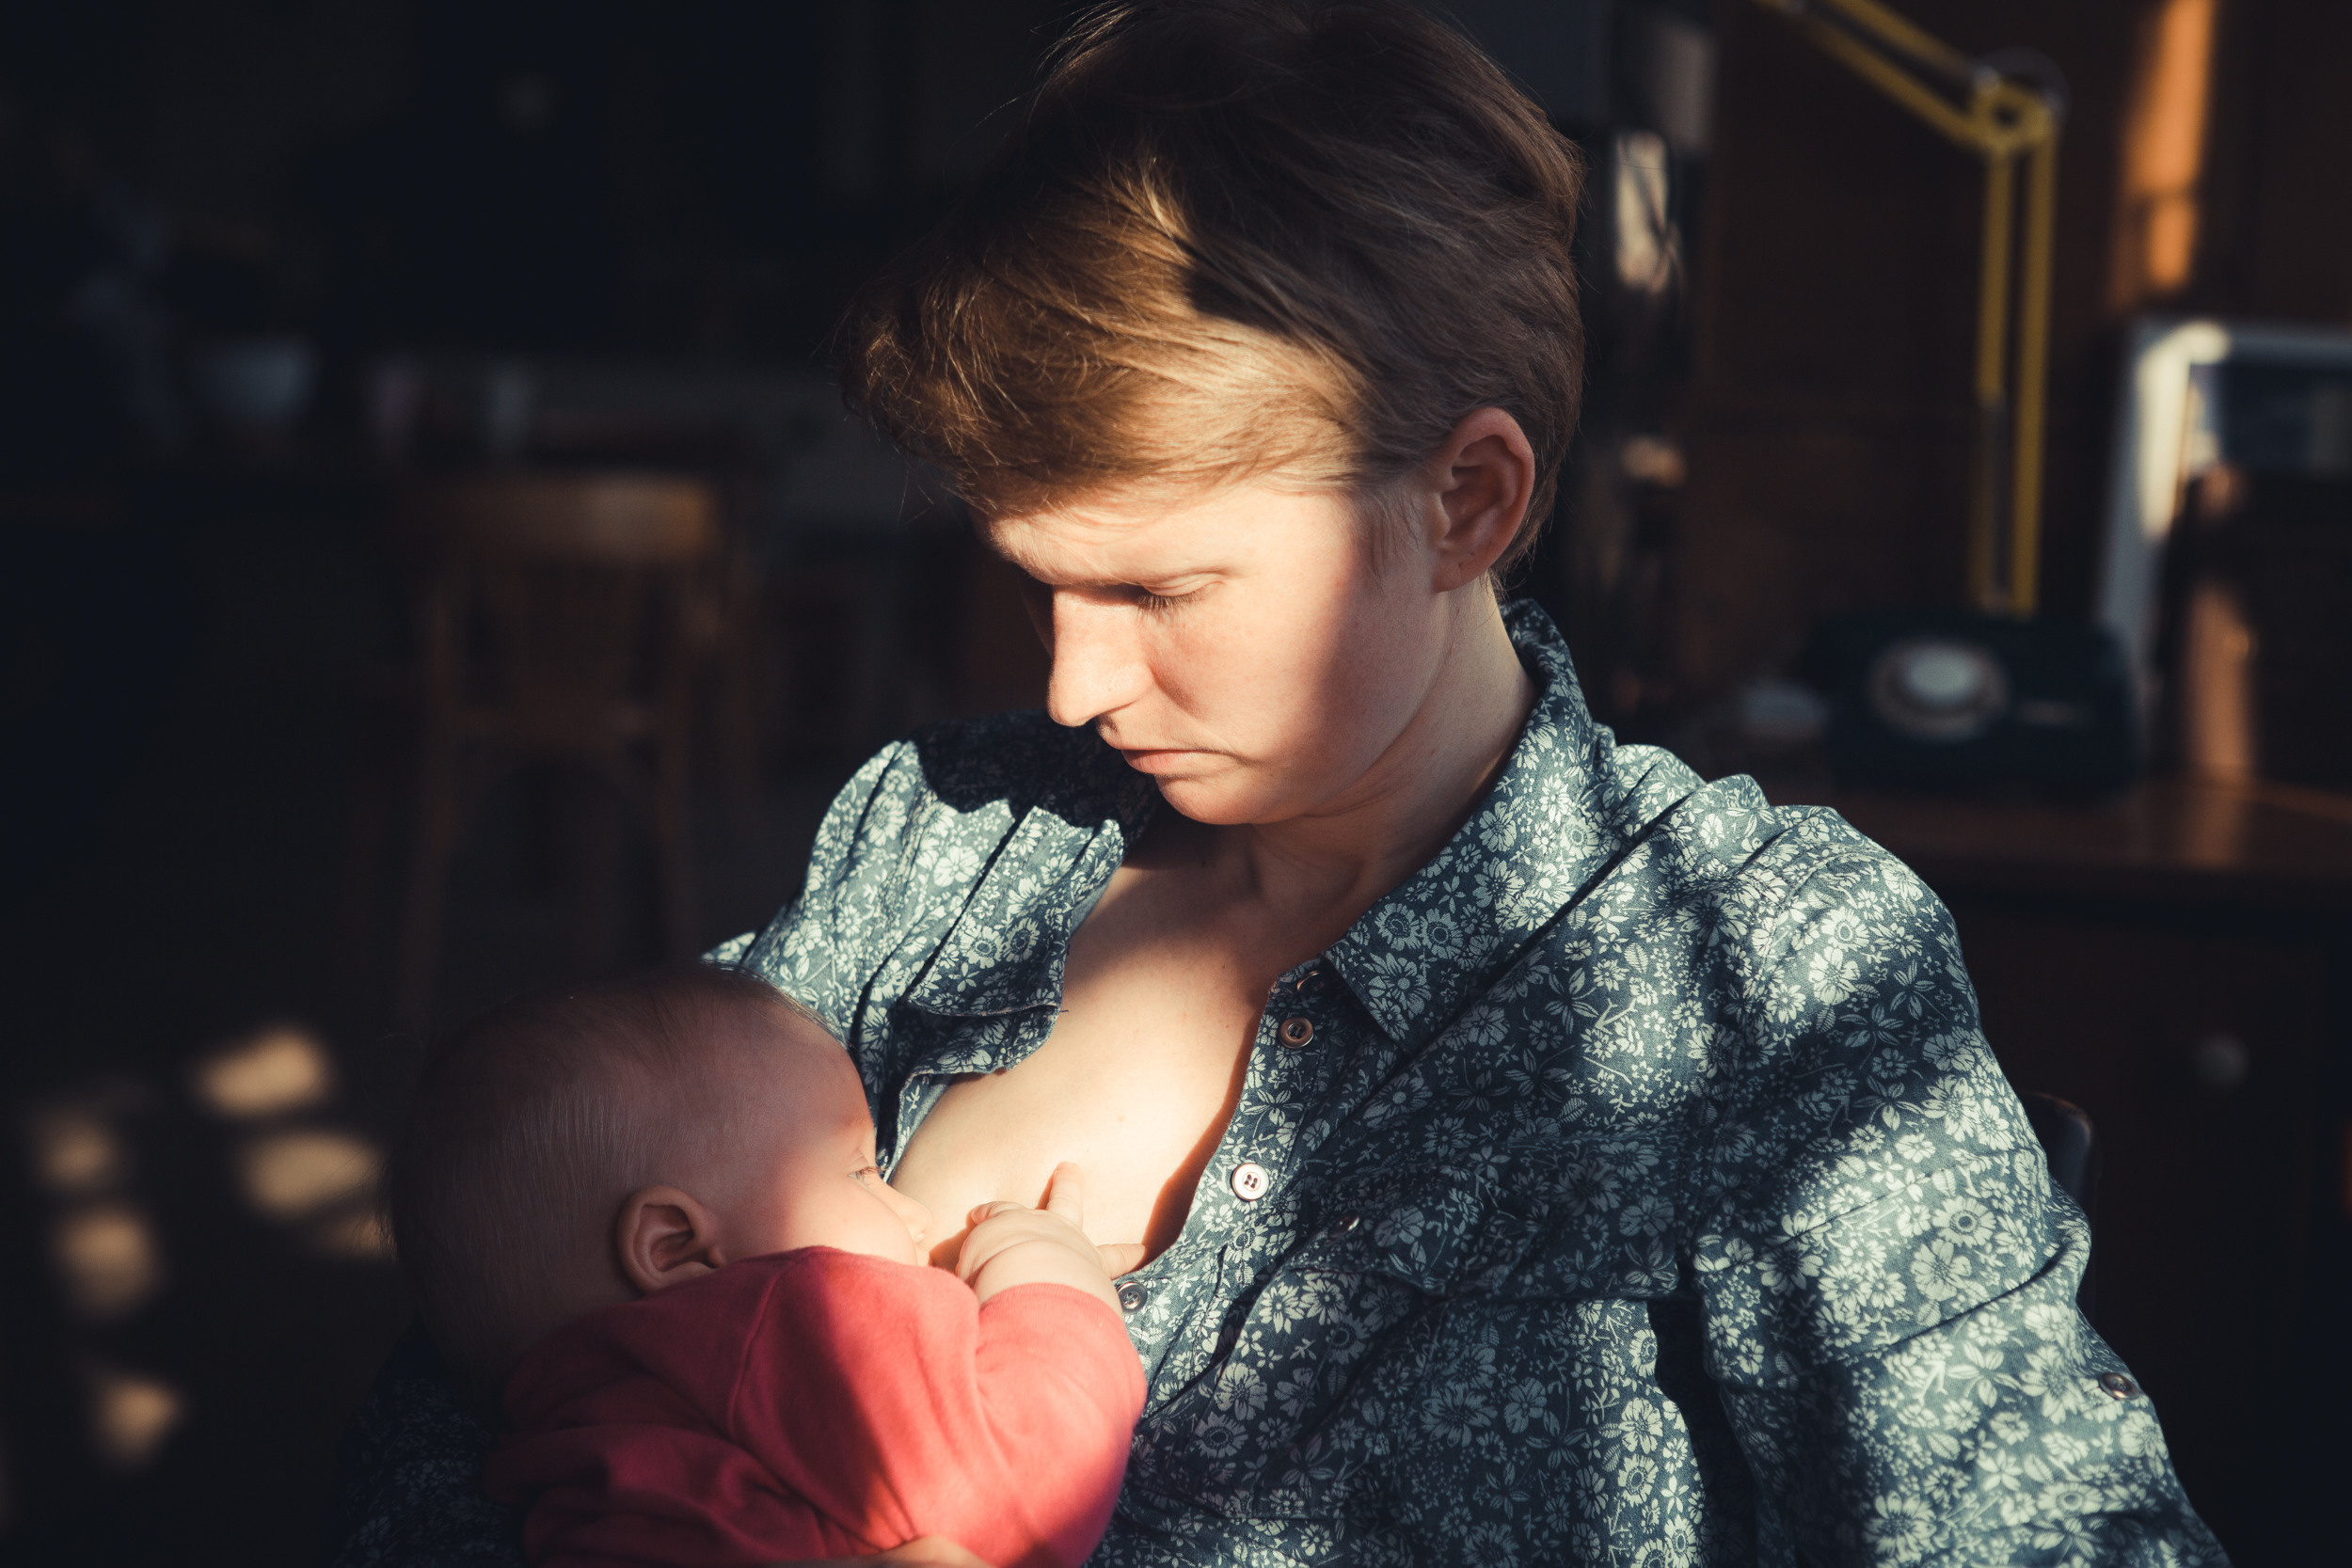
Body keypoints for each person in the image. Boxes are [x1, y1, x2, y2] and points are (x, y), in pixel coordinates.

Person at [327, 3, 2224, 1563]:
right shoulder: (944, 839)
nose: (1070, 684)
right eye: (1039, 585)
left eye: (1156, 587)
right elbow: (495, 1364)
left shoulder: (1761, 971)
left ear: (1465, 499)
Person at [384, 965, 1145, 1568]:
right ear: (675, 1247)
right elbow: (1029, 1495)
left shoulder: (566, 1438)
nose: (911, 1212)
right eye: (858, 1171)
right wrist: (1046, 1268)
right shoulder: (781, 1316)